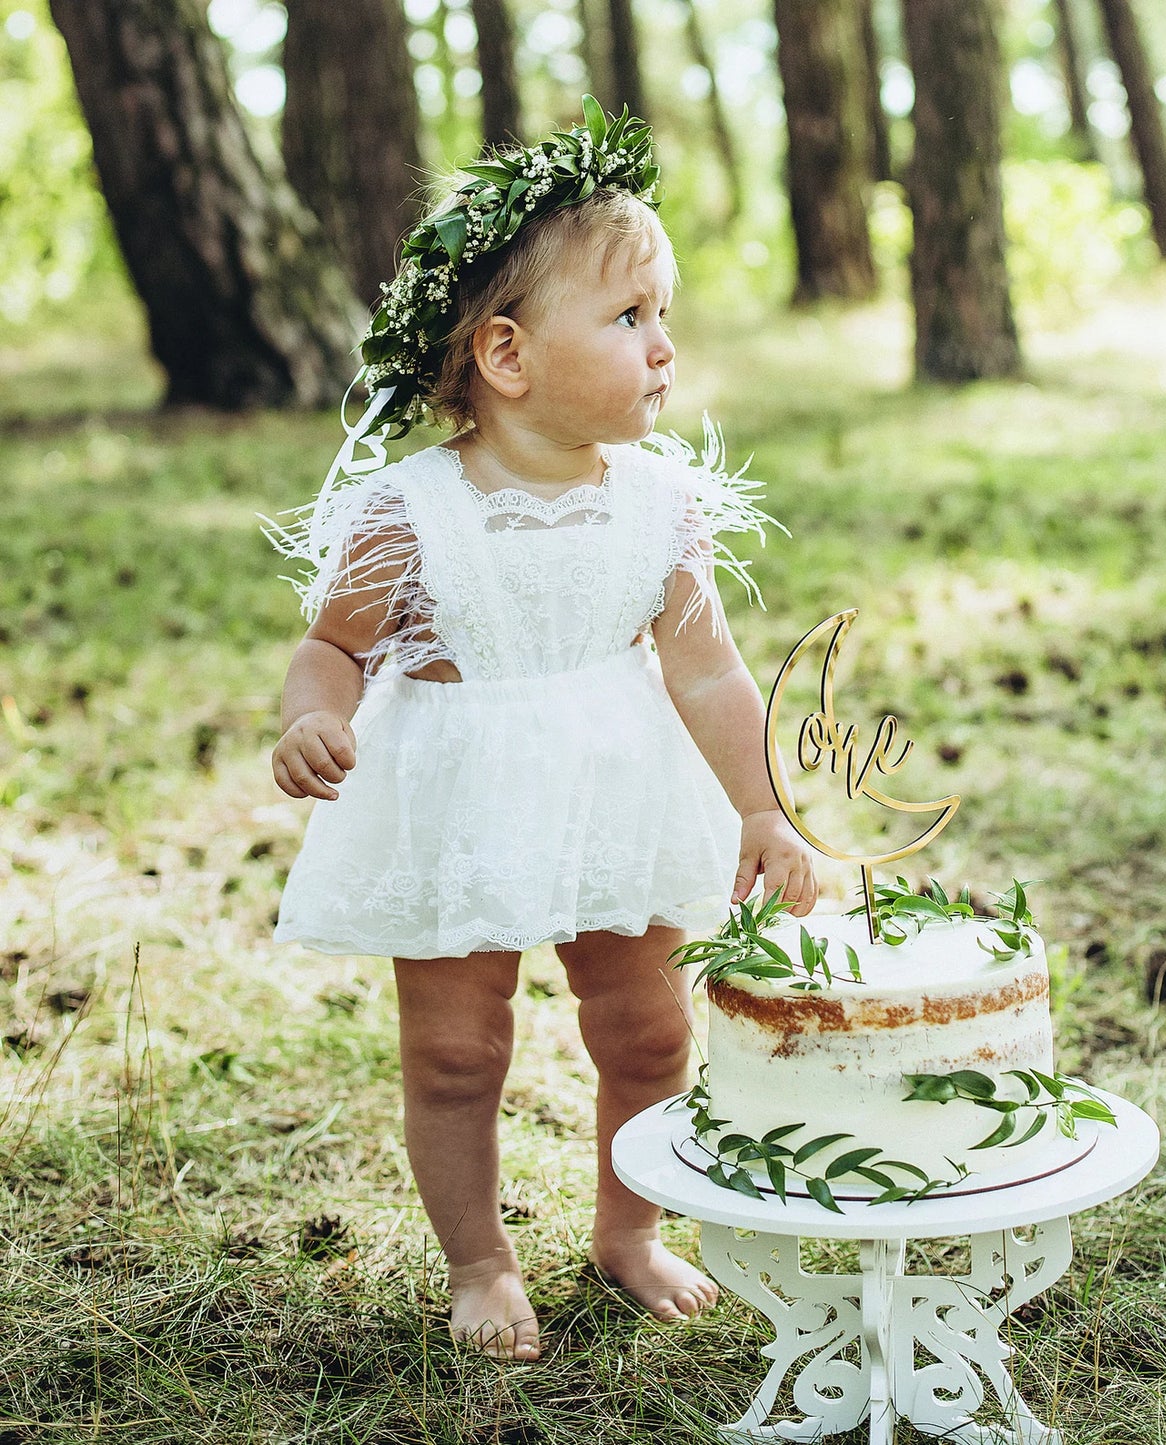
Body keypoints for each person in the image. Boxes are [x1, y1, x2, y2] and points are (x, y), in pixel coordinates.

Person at [263, 98, 817, 1362]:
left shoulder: (661, 502)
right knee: (457, 1048)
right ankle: (477, 1257)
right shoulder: (409, 512)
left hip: (620, 793)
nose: (664, 346)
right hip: (458, 802)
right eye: (630, 318)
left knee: (649, 1028)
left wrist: (758, 805)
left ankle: (627, 1230)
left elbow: (709, 667)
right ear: (506, 356)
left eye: (664, 315)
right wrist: (312, 715)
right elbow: (332, 645)